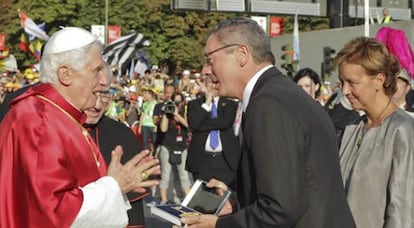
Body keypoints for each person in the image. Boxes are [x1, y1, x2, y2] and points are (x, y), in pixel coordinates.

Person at [181, 17, 355, 228]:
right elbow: (295, 188)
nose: (205, 70)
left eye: (210, 60)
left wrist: (218, 225)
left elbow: (280, 209)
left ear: (242, 54)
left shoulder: (269, 105)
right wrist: (238, 201)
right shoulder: (279, 95)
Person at [0, 27, 160, 227]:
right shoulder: (38, 121)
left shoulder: (57, 115)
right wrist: (115, 186)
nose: (104, 81)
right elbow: (52, 213)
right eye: (96, 71)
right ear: (65, 75)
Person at [335, 36, 414, 227]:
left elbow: (402, 211)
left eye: (352, 83)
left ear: (379, 80)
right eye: (342, 82)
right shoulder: (353, 128)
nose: (345, 91)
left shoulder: (402, 130)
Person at [83, 64, 148, 227]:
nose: (97, 104)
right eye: (91, 94)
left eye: (104, 94)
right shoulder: (51, 130)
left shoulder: (121, 133)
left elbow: (134, 206)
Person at [186, 75, 240, 187]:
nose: (214, 86)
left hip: (225, 160)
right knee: (203, 198)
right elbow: (193, 124)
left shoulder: (230, 104)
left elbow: (226, 123)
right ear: (205, 85)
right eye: (211, 83)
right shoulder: (195, 105)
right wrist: (207, 104)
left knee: (226, 195)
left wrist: (201, 124)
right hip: (202, 160)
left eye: (217, 83)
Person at [158, 92, 192, 204]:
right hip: (167, 146)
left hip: (181, 147)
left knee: (183, 175)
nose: (176, 105)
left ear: (182, 102)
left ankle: (186, 198)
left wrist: (177, 114)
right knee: (166, 174)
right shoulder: (167, 113)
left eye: (178, 102)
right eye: (174, 102)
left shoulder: (184, 112)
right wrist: (166, 113)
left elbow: (188, 125)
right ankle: (164, 199)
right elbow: (163, 129)